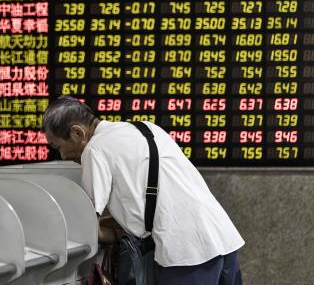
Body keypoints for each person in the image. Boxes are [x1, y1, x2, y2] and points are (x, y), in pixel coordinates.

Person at [42, 96, 245, 285]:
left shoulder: (96, 149)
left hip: (186, 254)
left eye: (57, 146)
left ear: (78, 133)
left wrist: (110, 234)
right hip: (221, 239)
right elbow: (150, 203)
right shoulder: (146, 128)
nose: (62, 156)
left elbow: (86, 226)